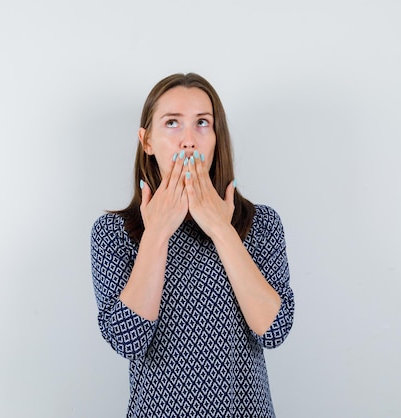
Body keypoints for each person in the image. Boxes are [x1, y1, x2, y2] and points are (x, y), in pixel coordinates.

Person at [90, 73, 295, 417]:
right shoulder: (114, 233)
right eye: (172, 123)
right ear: (147, 140)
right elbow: (127, 340)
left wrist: (220, 228)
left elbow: (273, 331)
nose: (189, 140)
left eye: (203, 123)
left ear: (217, 138)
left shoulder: (261, 224)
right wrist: (157, 232)